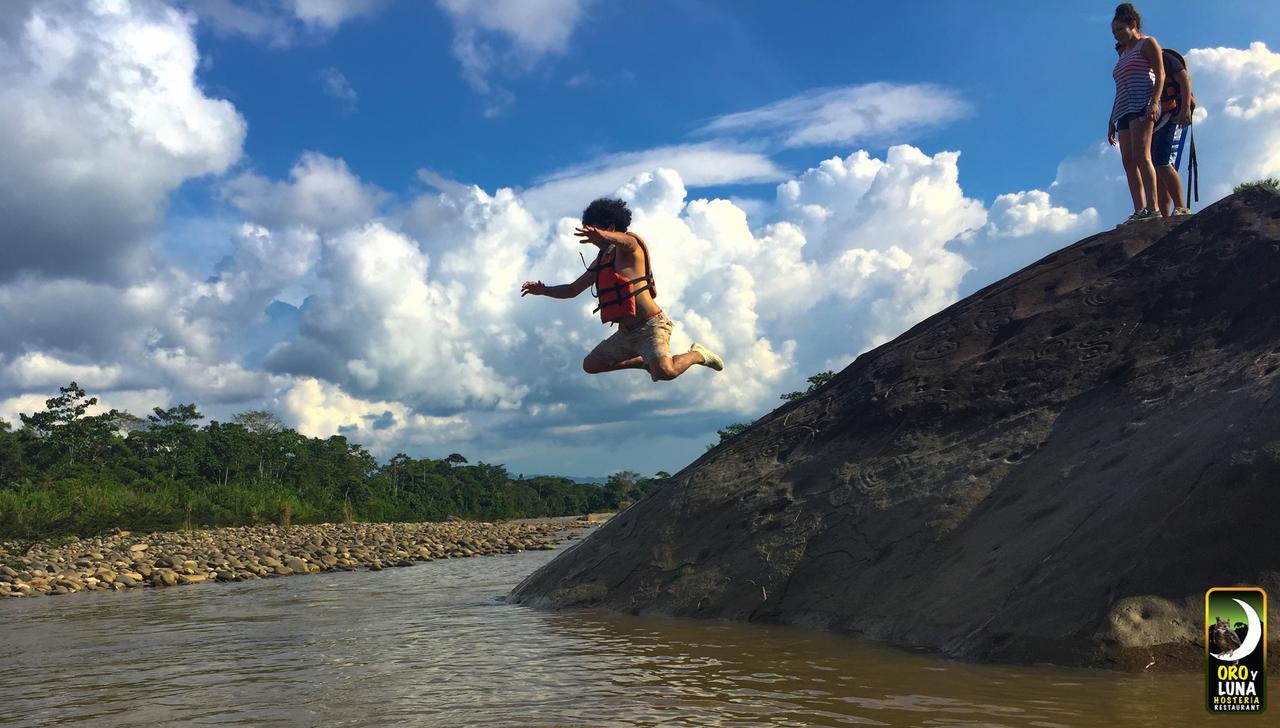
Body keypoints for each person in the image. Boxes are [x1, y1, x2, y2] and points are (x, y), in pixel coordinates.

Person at [520, 197, 724, 382]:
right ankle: (644, 362)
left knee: (665, 373)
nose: (590, 234)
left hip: (651, 325)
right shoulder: (601, 261)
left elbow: (626, 240)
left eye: (594, 228)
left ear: (609, 227)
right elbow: (572, 289)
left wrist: (605, 235)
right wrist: (543, 290)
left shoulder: (629, 246)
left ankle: (698, 354)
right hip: (626, 333)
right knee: (591, 365)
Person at [1107, 3, 1165, 224]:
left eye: (1120, 30)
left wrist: (1154, 102)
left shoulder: (1147, 43)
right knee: (1128, 160)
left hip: (1143, 103)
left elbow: (1160, 74)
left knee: (1143, 155)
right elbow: (1119, 87)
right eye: (1114, 32)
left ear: (1133, 25)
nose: (1117, 35)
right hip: (1123, 108)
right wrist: (1111, 120)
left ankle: (1153, 208)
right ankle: (1139, 209)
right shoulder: (1122, 53)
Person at [1153, 48, 1195, 216]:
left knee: (1163, 160)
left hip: (1173, 114)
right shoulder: (1143, 64)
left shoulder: (1164, 58)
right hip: (1157, 118)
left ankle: (1181, 207)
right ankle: (1163, 215)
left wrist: (1185, 109)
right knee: (1157, 166)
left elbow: (1184, 78)